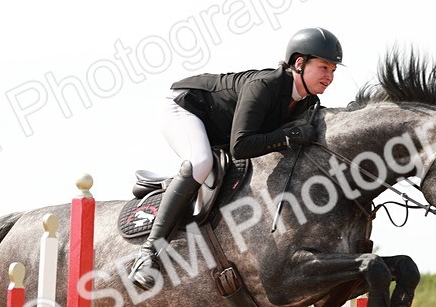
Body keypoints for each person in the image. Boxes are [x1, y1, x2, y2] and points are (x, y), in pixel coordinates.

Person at [129, 26, 344, 290]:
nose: (330, 76)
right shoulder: (265, 86)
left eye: (333, 70)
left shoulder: (307, 102)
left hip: (219, 128)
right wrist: (289, 135)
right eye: (324, 67)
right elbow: (241, 145)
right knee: (200, 162)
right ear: (299, 63)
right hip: (184, 108)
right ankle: (148, 254)